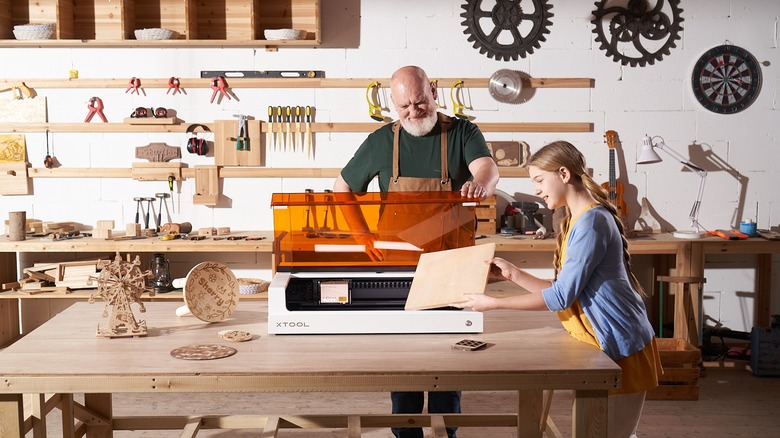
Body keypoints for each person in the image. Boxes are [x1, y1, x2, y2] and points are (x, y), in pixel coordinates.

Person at [454, 141, 662, 438]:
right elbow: (566, 290)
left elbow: (560, 298)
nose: (537, 189)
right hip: (606, 342)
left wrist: (492, 303)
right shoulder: (578, 219)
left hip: (622, 345)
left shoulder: (591, 223)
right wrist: (513, 274)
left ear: (563, 173)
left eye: (539, 180)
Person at [334, 65, 499, 438]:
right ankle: (405, 433)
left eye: (420, 101)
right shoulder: (380, 141)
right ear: (392, 104)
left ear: (434, 92)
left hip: (452, 266)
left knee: (450, 359)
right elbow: (341, 188)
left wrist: (480, 184)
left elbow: (488, 168)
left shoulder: (462, 133)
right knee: (404, 362)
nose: (414, 111)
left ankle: (447, 433)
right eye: (404, 106)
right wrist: (363, 239)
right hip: (398, 270)